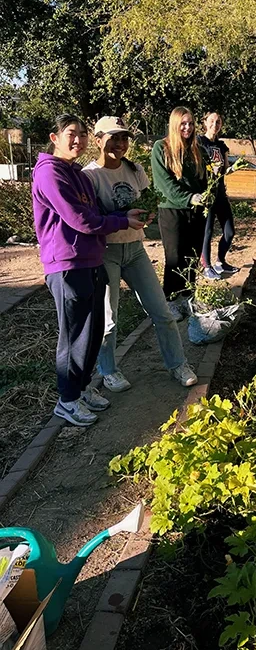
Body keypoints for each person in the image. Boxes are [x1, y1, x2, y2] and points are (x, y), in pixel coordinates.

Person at [32, 114, 145, 426]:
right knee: (73, 337)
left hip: (92, 260)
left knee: (93, 332)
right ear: (54, 138)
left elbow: (96, 212)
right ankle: (66, 401)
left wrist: (125, 214)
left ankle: (80, 389)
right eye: (71, 133)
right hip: (67, 265)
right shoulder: (50, 174)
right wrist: (122, 222)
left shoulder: (77, 174)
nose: (77, 140)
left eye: (82, 134)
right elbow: (80, 220)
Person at [83, 116, 198, 391]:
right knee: (108, 319)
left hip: (135, 249)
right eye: (113, 138)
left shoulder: (134, 170)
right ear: (98, 140)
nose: (120, 143)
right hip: (105, 252)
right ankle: (108, 370)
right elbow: (88, 217)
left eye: (124, 138)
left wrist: (146, 215)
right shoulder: (89, 176)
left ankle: (177, 364)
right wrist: (123, 216)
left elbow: (148, 199)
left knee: (162, 312)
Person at [151, 106, 208, 320]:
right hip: (172, 210)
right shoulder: (161, 148)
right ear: (175, 124)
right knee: (175, 257)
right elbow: (163, 184)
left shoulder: (197, 150)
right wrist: (188, 198)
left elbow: (205, 179)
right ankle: (171, 300)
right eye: (183, 123)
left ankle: (188, 297)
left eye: (191, 123)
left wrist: (207, 194)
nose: (188, 127)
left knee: (192, 256)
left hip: (195, 211)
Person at [198, 111, 238, 280]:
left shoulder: (222, 146)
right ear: (205, 123)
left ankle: (220, 261)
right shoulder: (199, 142)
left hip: (220, 193)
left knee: (229, 231)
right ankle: (206, 266)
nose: (215, 124)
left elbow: (225, 168)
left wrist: (233, 168)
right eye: (212, 121)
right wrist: (208, 169)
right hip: (206, 193)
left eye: (218, 122)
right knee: (207, 232)